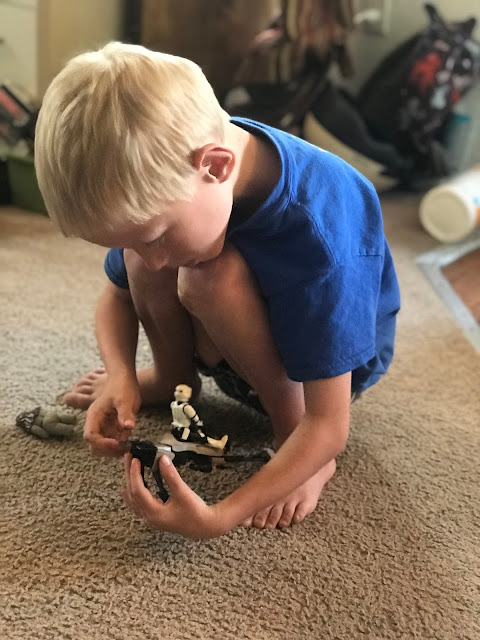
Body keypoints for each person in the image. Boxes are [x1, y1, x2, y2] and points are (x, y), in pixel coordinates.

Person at [34, 42, 400, 540]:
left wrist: (218, 516)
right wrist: (122, 374)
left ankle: (291, 436)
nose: (152, 260)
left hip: (324, 373)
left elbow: (330, 425)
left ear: (217, 166)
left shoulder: (322, 228)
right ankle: (171, 377)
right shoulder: (181, 167)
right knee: (170, 266)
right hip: (233, 342)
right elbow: (117, 296)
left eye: (155, 236)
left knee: (210, 275)